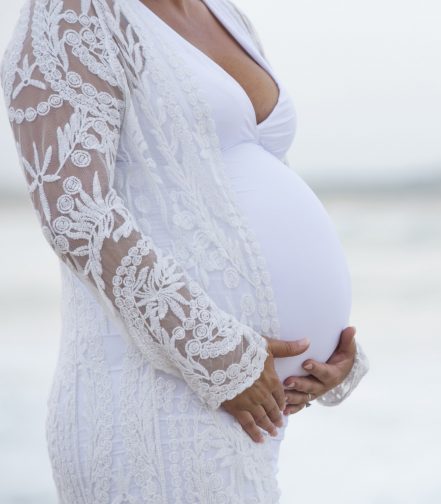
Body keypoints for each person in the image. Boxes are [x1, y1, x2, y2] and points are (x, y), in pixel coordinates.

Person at [0, 0, 369, 501]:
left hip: (249, 412)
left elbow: (232, 186)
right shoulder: (73, 12)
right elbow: (74, 210)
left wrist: (320, 351)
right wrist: (217, 351)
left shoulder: (225, 13)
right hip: (156, 401)